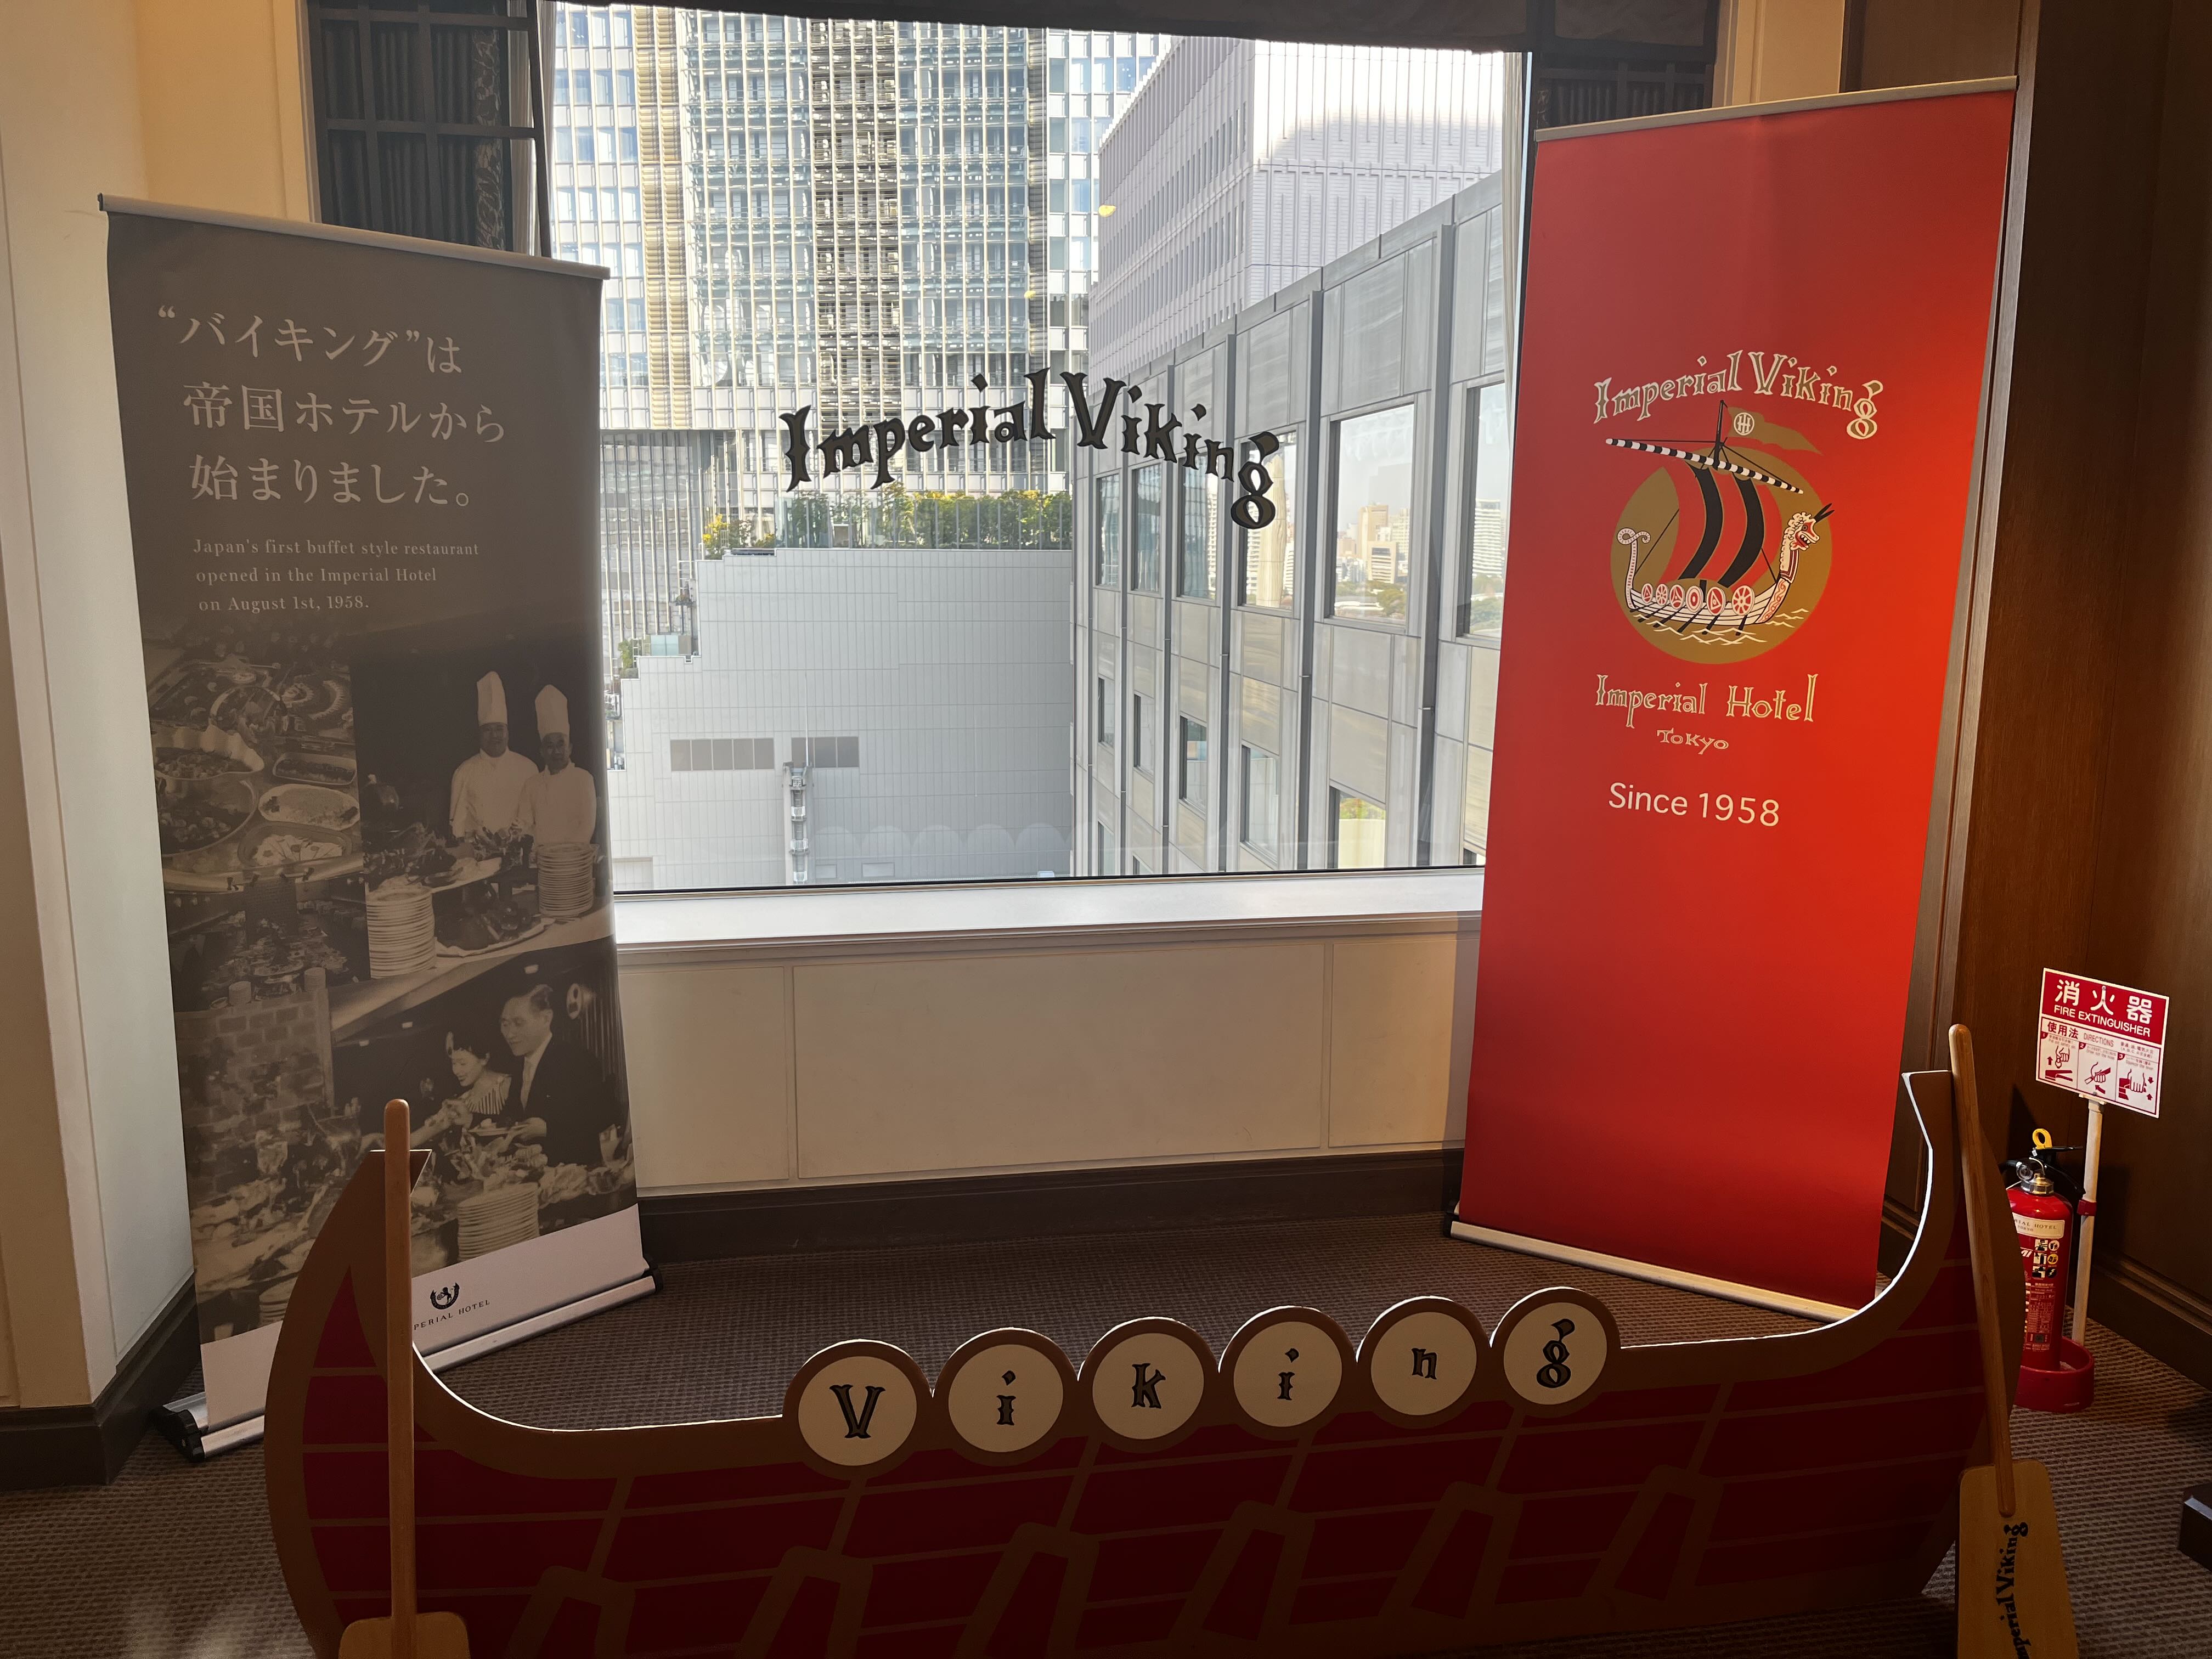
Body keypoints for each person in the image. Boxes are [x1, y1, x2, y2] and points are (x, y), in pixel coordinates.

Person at [497, 983, 613, 1169]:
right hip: (534, 1172)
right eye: (505, 1025)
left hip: (574, 1172)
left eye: (519, 1023)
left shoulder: (578, 1059)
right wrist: (472, 1119)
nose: (509, 1034)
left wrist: (548, 1129)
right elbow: (510, 1116)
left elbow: (600, 1121)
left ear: (546, 1018)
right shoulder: (519, 1065)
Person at [449, 672, 536, 839]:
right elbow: (456, 827)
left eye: (499, 729)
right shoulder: (464, 772)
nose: (494, 736)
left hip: (520, 850)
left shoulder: (528, 768)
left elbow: (535, 821)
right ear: (479, 734)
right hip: (478, 853)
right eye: (487, 730)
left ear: (508, 732)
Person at [517, 684, 596, 845]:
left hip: (576, 857)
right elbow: (525, 825)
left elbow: (587, 826)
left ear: (570, 748)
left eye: (561, 744)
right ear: (542, 752)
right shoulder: (531, 785)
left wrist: (564, 854)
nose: (557, 751)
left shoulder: (584, 779)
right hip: (542, 857)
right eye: (550, 746)